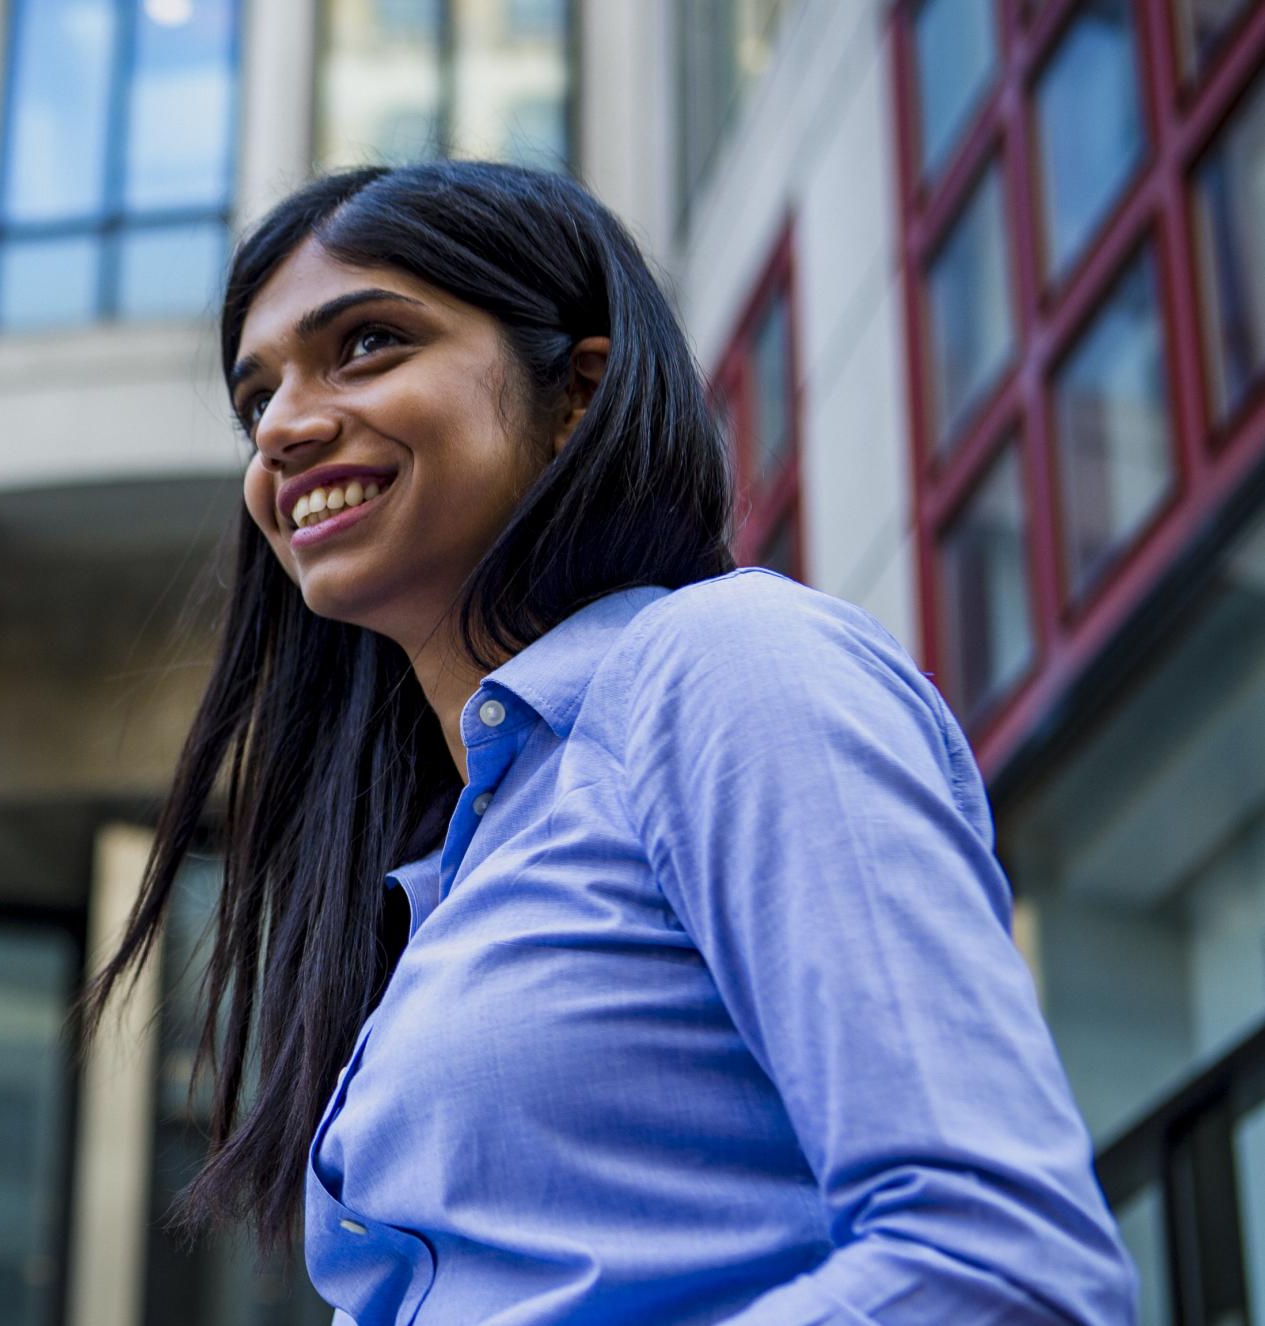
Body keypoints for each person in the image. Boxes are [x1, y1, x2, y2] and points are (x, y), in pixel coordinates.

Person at [79, 160, 1139, 1324]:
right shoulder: (455, 867)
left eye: (371, 342)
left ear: (577, 392)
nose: (282, 428)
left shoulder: (727, 666)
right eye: (253, 401)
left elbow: (1003, 1267)